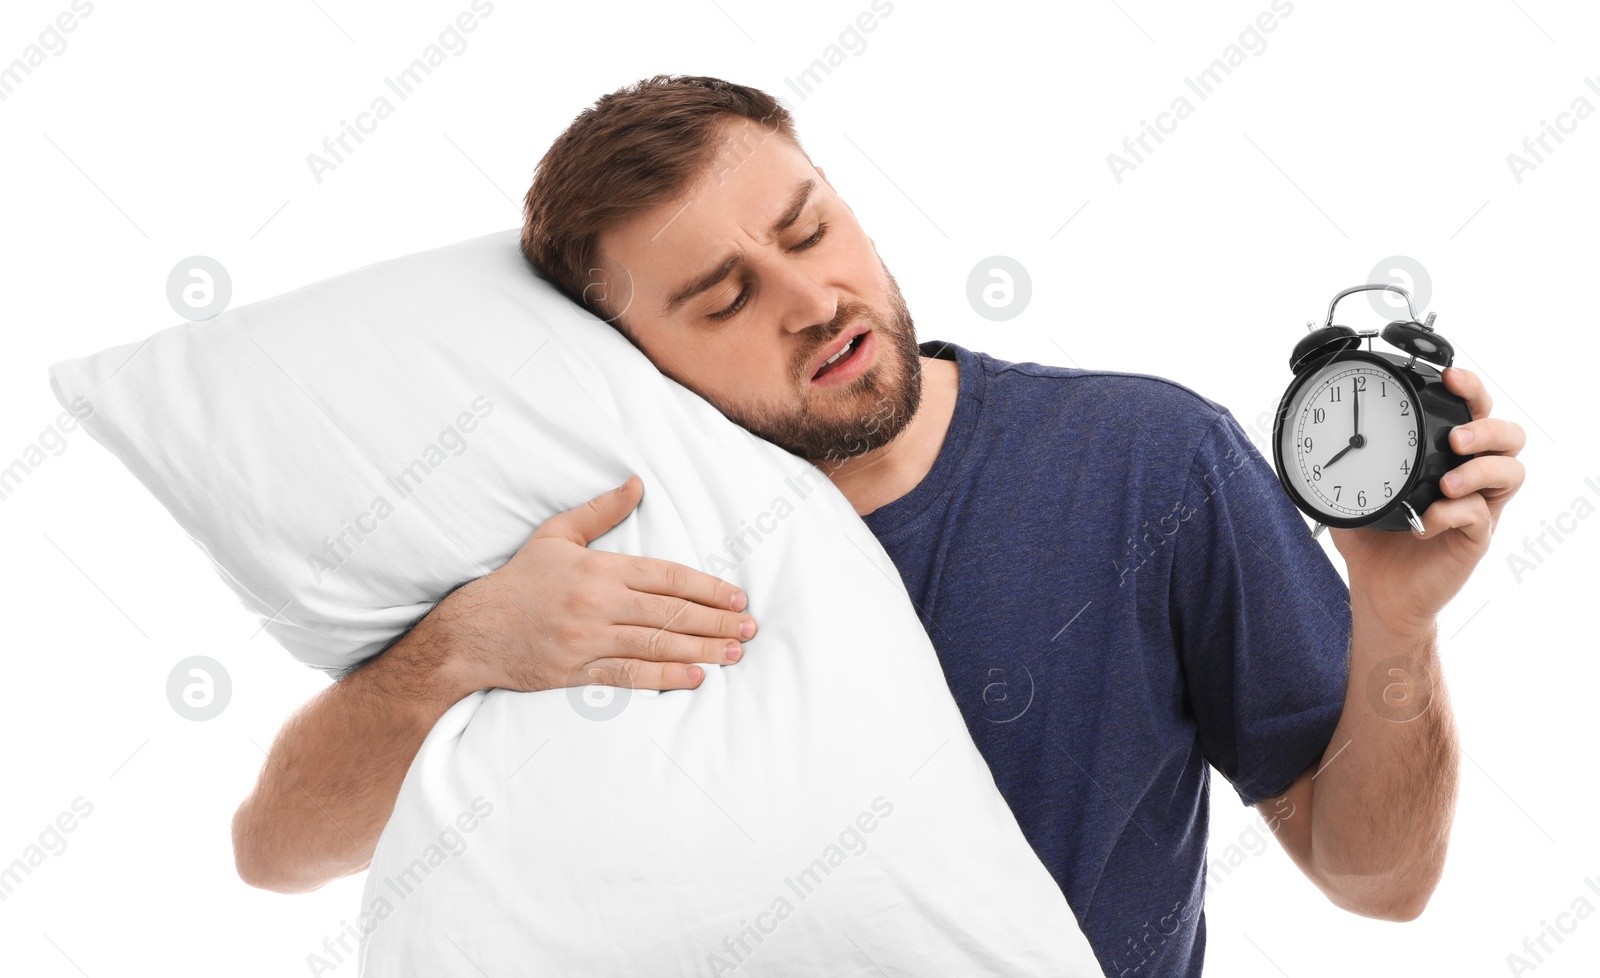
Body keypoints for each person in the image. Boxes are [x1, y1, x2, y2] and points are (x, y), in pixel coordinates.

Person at [231, 75, 1526, 975]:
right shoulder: (584, 550)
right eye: (725, 295)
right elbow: (278, 851)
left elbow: (1378, 881)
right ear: (630, 358)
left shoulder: (1145, 461)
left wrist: (1397, 624)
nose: (813, 297)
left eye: (810, 228)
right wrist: (464, 646)